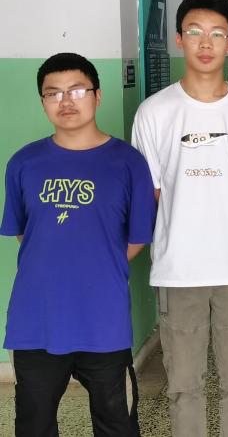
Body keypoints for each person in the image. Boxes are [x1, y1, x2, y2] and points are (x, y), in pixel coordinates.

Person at [131, 0, 228, 437]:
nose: (205, 43)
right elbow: (152, 191)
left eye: (216, 33)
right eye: (194, 32)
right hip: (178, 269)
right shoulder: (154, 112)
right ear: (179, 39)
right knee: (183, 387)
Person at [0, 52, 156, 436]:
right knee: (33, 425)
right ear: (42, 101)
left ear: (97, 96)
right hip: (36, 320)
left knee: (117, 423)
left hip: (104, 321)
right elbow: (25, 233)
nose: (65, 101)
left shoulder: (128, 162)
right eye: (53, 93)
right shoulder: (23, 163)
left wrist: (97, 264)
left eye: (77, 90)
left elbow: (137, 238)